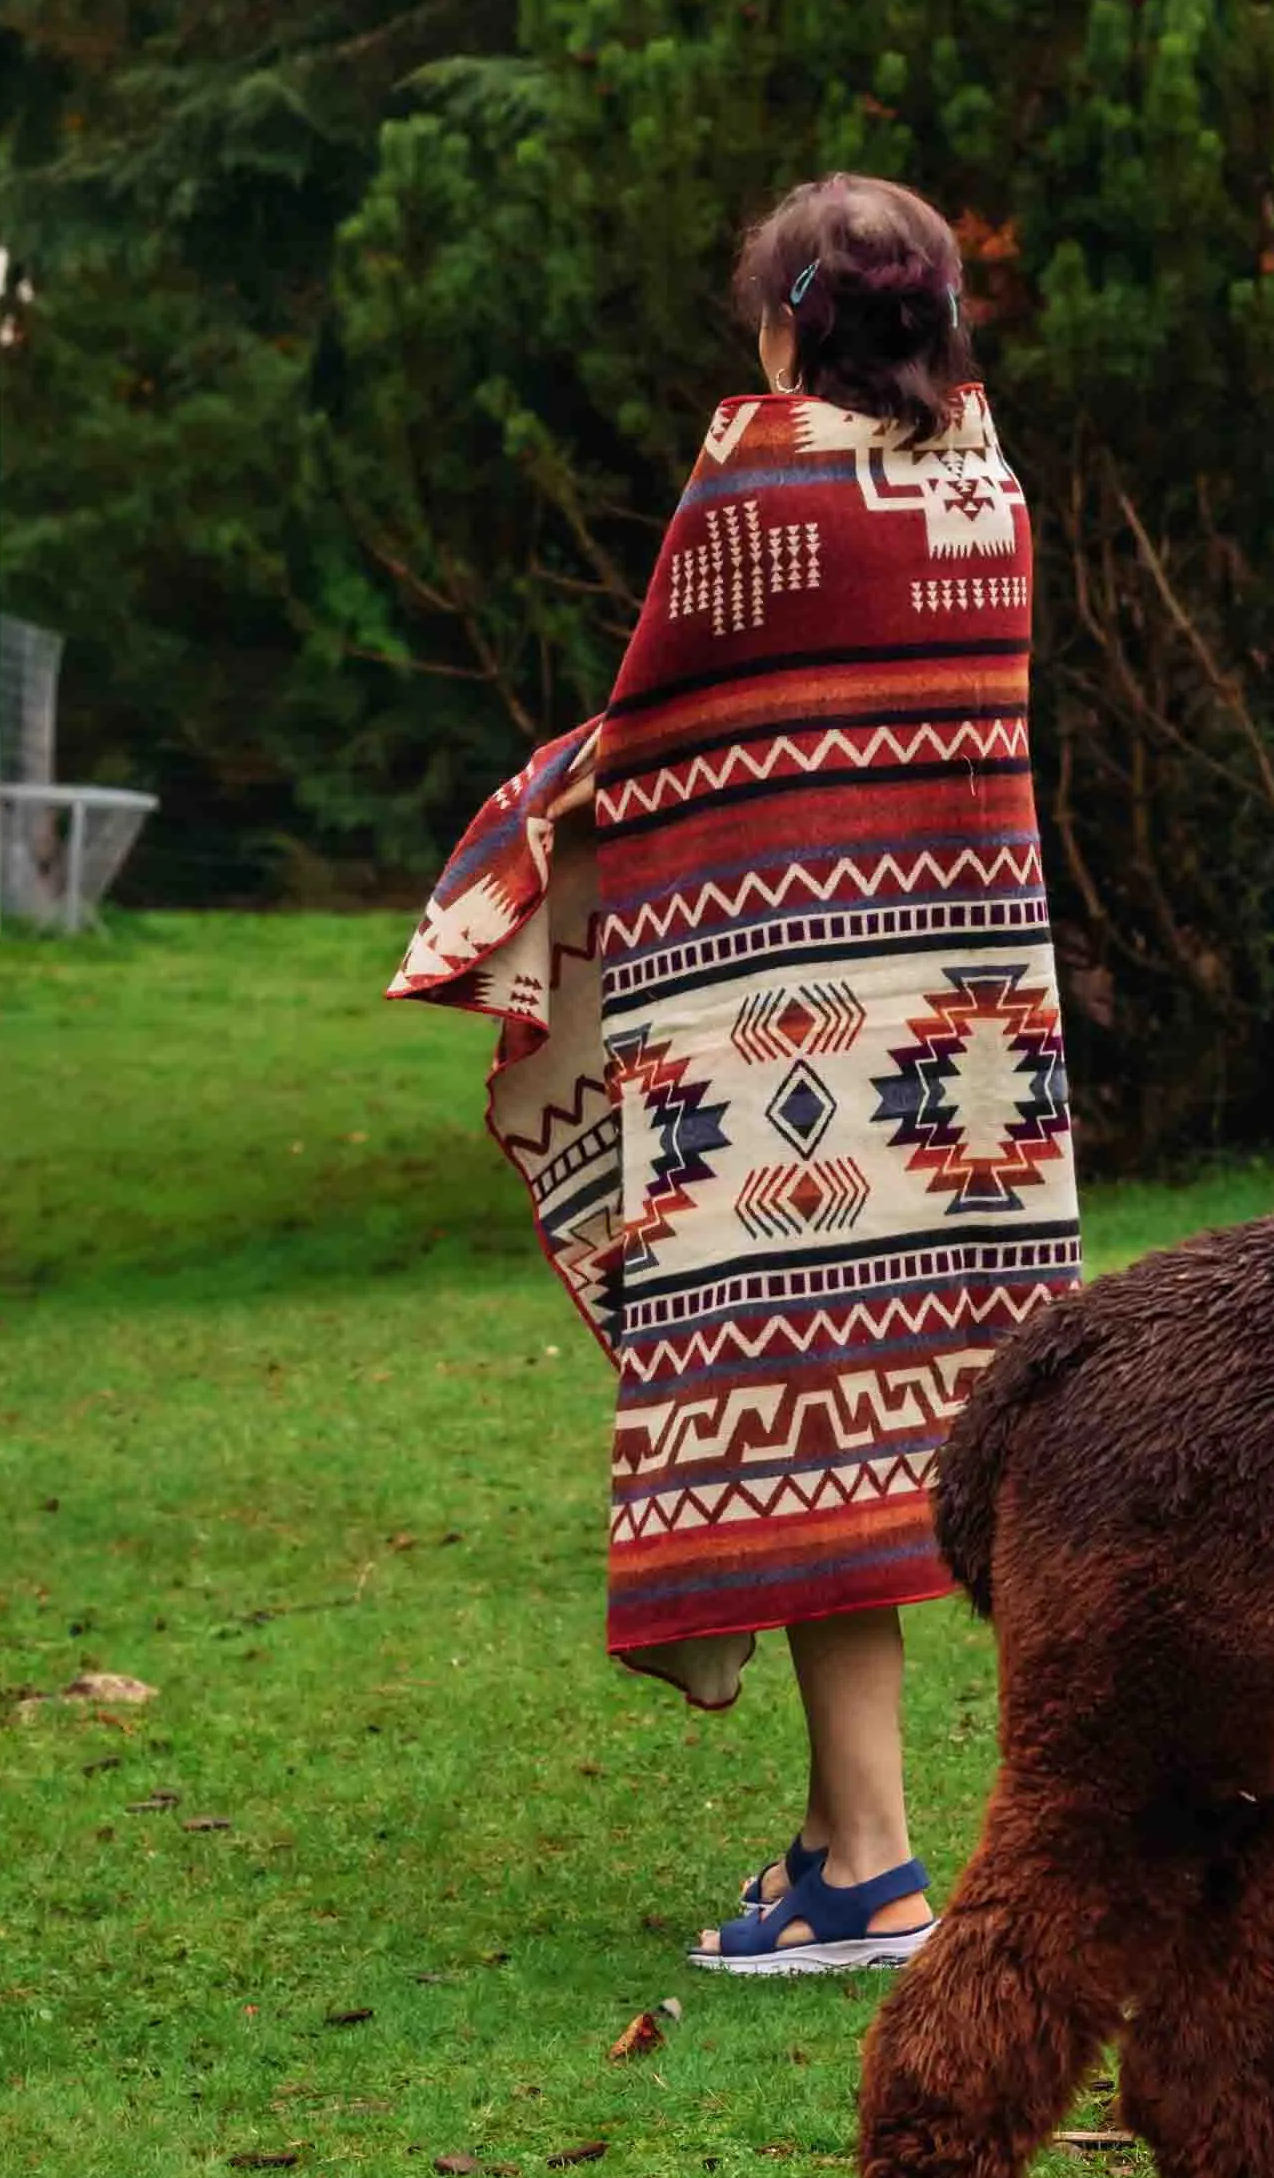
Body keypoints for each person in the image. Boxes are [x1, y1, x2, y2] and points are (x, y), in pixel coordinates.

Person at [388, 174, 1080, 1976]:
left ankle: (869, 1861)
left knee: (802, 1408)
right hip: (961, 1058)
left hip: (773, 1036)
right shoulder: (991, 494)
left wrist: (507, 861)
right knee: (925, 1429)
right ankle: (880, 1851)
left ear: (789, 318)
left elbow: (656, 731)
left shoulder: (755, 487)